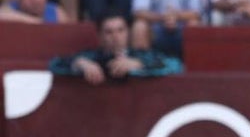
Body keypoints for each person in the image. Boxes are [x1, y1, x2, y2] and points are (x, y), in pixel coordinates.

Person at [48, 12, 183, 84]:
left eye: (120, 30)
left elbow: (177, 66)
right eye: (109, 32)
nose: (116, 36)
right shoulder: (90, 57)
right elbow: (54, 64)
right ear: (100, 36)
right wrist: (78, 63)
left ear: (128, 32)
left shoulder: (140, 56)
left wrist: (140, 64)